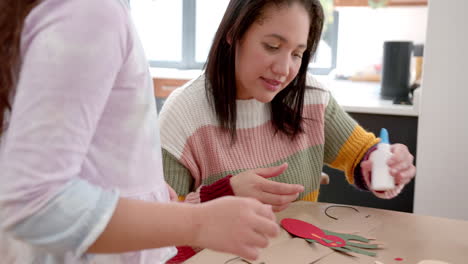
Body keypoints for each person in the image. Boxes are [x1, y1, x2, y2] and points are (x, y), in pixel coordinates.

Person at [0, 0, 280, 263]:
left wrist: (147, 193)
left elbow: (67, 149)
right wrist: (199, 223)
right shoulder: (90, 12)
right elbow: (36, 201)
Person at [160, 0, 416, 211]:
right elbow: (161, 228)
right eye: (272, 46)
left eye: (297, 54)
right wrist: (224, 194)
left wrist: (388, 164)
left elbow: (363, 154)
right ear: (233, 33)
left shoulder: (309, 97)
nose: (284, 70)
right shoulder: (183, 114)